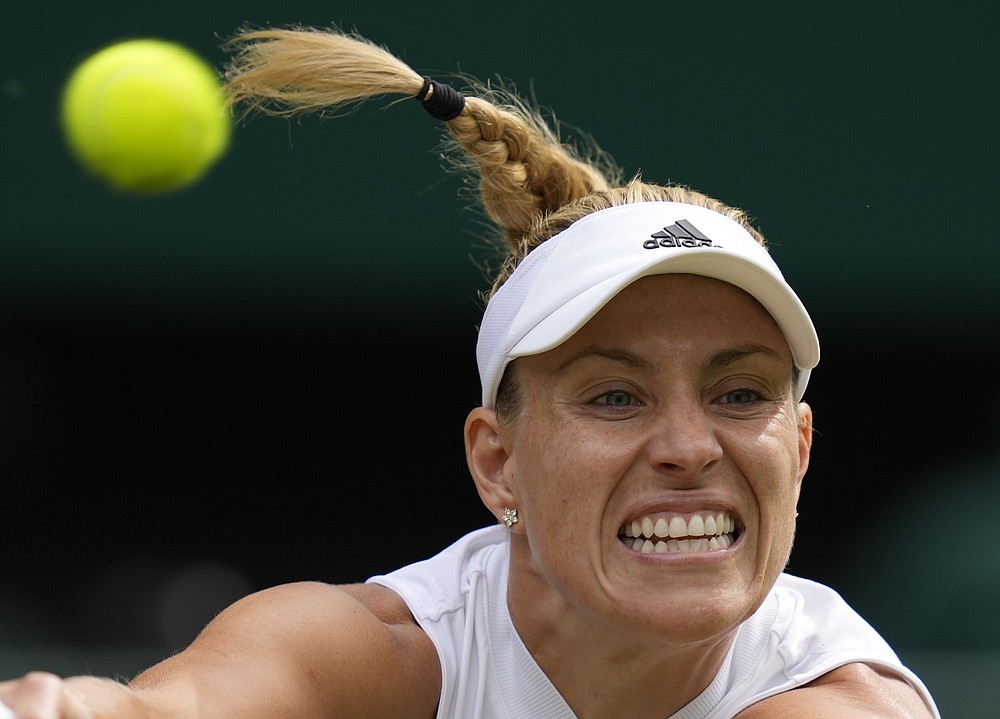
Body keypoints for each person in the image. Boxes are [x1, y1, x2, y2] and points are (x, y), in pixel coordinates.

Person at [0, 24, 940, 719]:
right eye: (616, 396)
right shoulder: (373, 655)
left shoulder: (833, 700)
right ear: (498, 464)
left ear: (801, 450)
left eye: (740, 395)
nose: (691, 447)